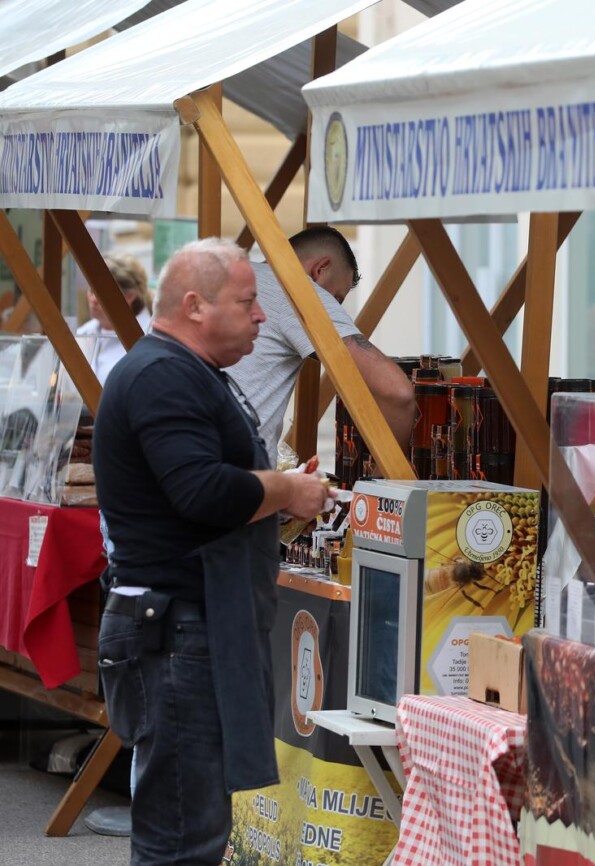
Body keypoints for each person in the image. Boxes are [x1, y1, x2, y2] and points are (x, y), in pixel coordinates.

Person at [93, 238, 335, 865]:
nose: (261, 315)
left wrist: (277, 498)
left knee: (193, 829)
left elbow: (203, 498)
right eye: (247, 301)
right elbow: (201, 494)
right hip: (175, 630)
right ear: (196, 305)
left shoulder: (182, 371)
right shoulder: (163, 375)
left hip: (185, 626)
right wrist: (287, 489)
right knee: (183, 836)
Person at [226, 225, 415, 460]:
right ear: (320, 268)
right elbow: (397, 391)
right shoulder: (299, 291)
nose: (335, 305)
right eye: (336, 298)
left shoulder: (224, 277)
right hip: (235, 470)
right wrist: (381, 475)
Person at [75, 251, 153, 382]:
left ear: (129, 296)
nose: (93, 299)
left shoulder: (149, 337)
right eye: (91, 290)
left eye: (101, 292)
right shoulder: (83, 333)